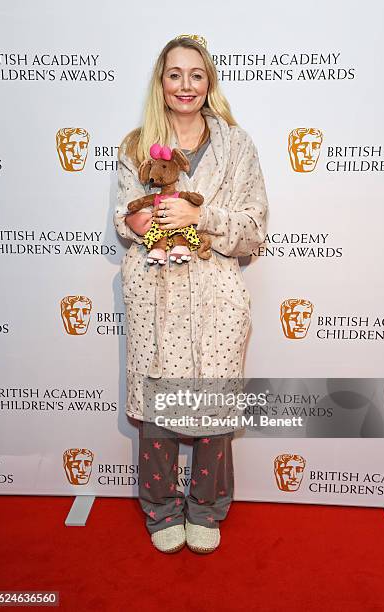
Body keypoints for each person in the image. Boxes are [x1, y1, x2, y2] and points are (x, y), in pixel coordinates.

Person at [114, 34, 269, 554]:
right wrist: (148, 218)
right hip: (155, 292)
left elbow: (254, 229)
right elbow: (123, 218)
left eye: (196, 75)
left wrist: (201, 215)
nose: (186, 85)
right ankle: (160, 509)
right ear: (162, 82)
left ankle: (206, 507)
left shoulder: (238, 146)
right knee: (159, 412)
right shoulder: (136, 146)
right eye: (175, 74)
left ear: (210, 84)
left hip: (216, 297)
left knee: (214, 412)